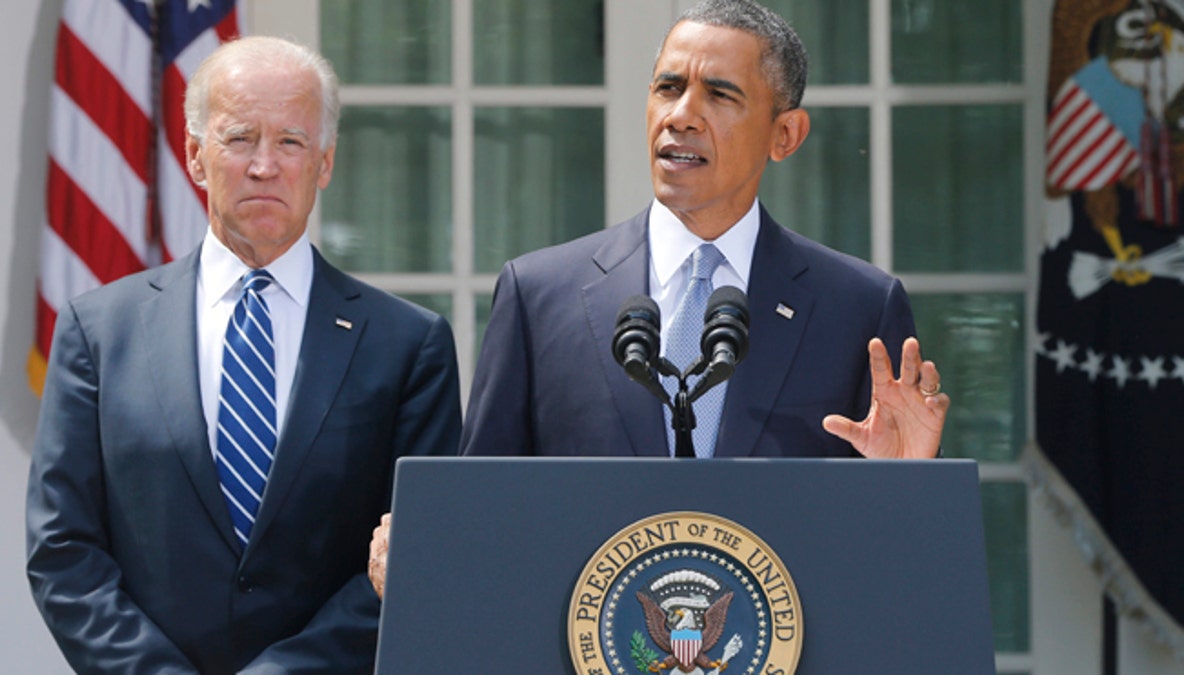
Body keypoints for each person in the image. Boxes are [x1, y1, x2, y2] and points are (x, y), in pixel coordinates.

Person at [368, 0, 948, 598]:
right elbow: (483, 515)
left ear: (785, 134)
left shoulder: (857, 308)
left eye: (719, 95)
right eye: (668, 88)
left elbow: (896, 575)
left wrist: (905, 488)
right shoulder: (539, 295)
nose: (682, 115)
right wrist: (424, 559)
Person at [26, 36, 461, 673]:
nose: (265, 165)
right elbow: (63, 548)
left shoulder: (408, 346)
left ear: (326, 162)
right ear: (196, 158)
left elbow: (422, 549)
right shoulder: (98, 332)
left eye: (290, 141)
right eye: (239, 139)